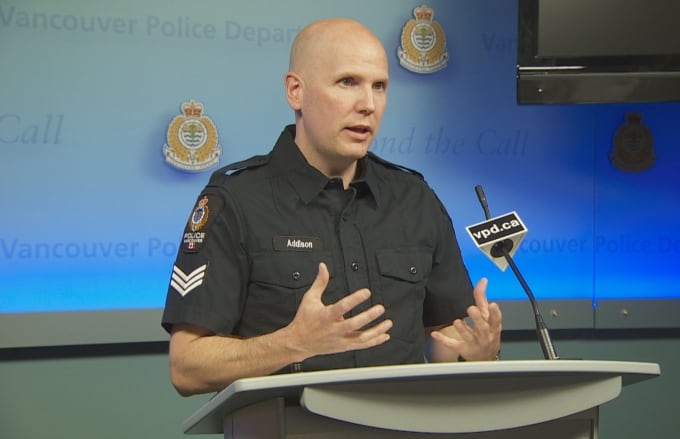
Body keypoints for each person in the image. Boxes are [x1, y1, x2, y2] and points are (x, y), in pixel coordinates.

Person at [161, 18, 502, 397]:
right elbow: (187, 367)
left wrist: (474, 353)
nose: (368, 105)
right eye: (347, 83)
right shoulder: (236, 200)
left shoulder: (415, 199)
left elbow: (442, 344)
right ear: (295, 92)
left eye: (380, 86)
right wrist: (293, 343)